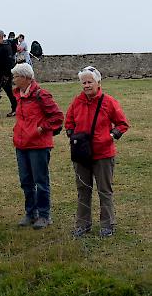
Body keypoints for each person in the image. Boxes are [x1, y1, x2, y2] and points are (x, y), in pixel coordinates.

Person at [65, 66, 129, 238]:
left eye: (89, 82)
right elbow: (69, 120)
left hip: (103, 154)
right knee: (83, 190)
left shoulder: (109, 102)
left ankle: (107, 225)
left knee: (104, 190)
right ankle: (82, 224)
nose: (86, 85)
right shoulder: (77, 102)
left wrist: (111, 135)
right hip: (81, 154)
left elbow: (123, 124)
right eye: (83, 82)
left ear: (98, 82)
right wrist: (72, 134)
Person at [11, 63, 64, 229]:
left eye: (16, 76)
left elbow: (57, 117)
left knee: (41, 181)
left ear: (26, 78)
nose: (13, 80)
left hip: (38, 145)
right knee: (26, 181)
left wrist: (40, 129)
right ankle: (30, 213)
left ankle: (44, 215)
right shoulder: (19, 95)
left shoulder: (41, 95)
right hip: (21, 144)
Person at [0, 29, 17, 117]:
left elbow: (9, 62)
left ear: (0, 36)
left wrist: (6, 75)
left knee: (8, 92)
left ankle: (15, 109)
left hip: (3, 74)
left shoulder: (6, 47)